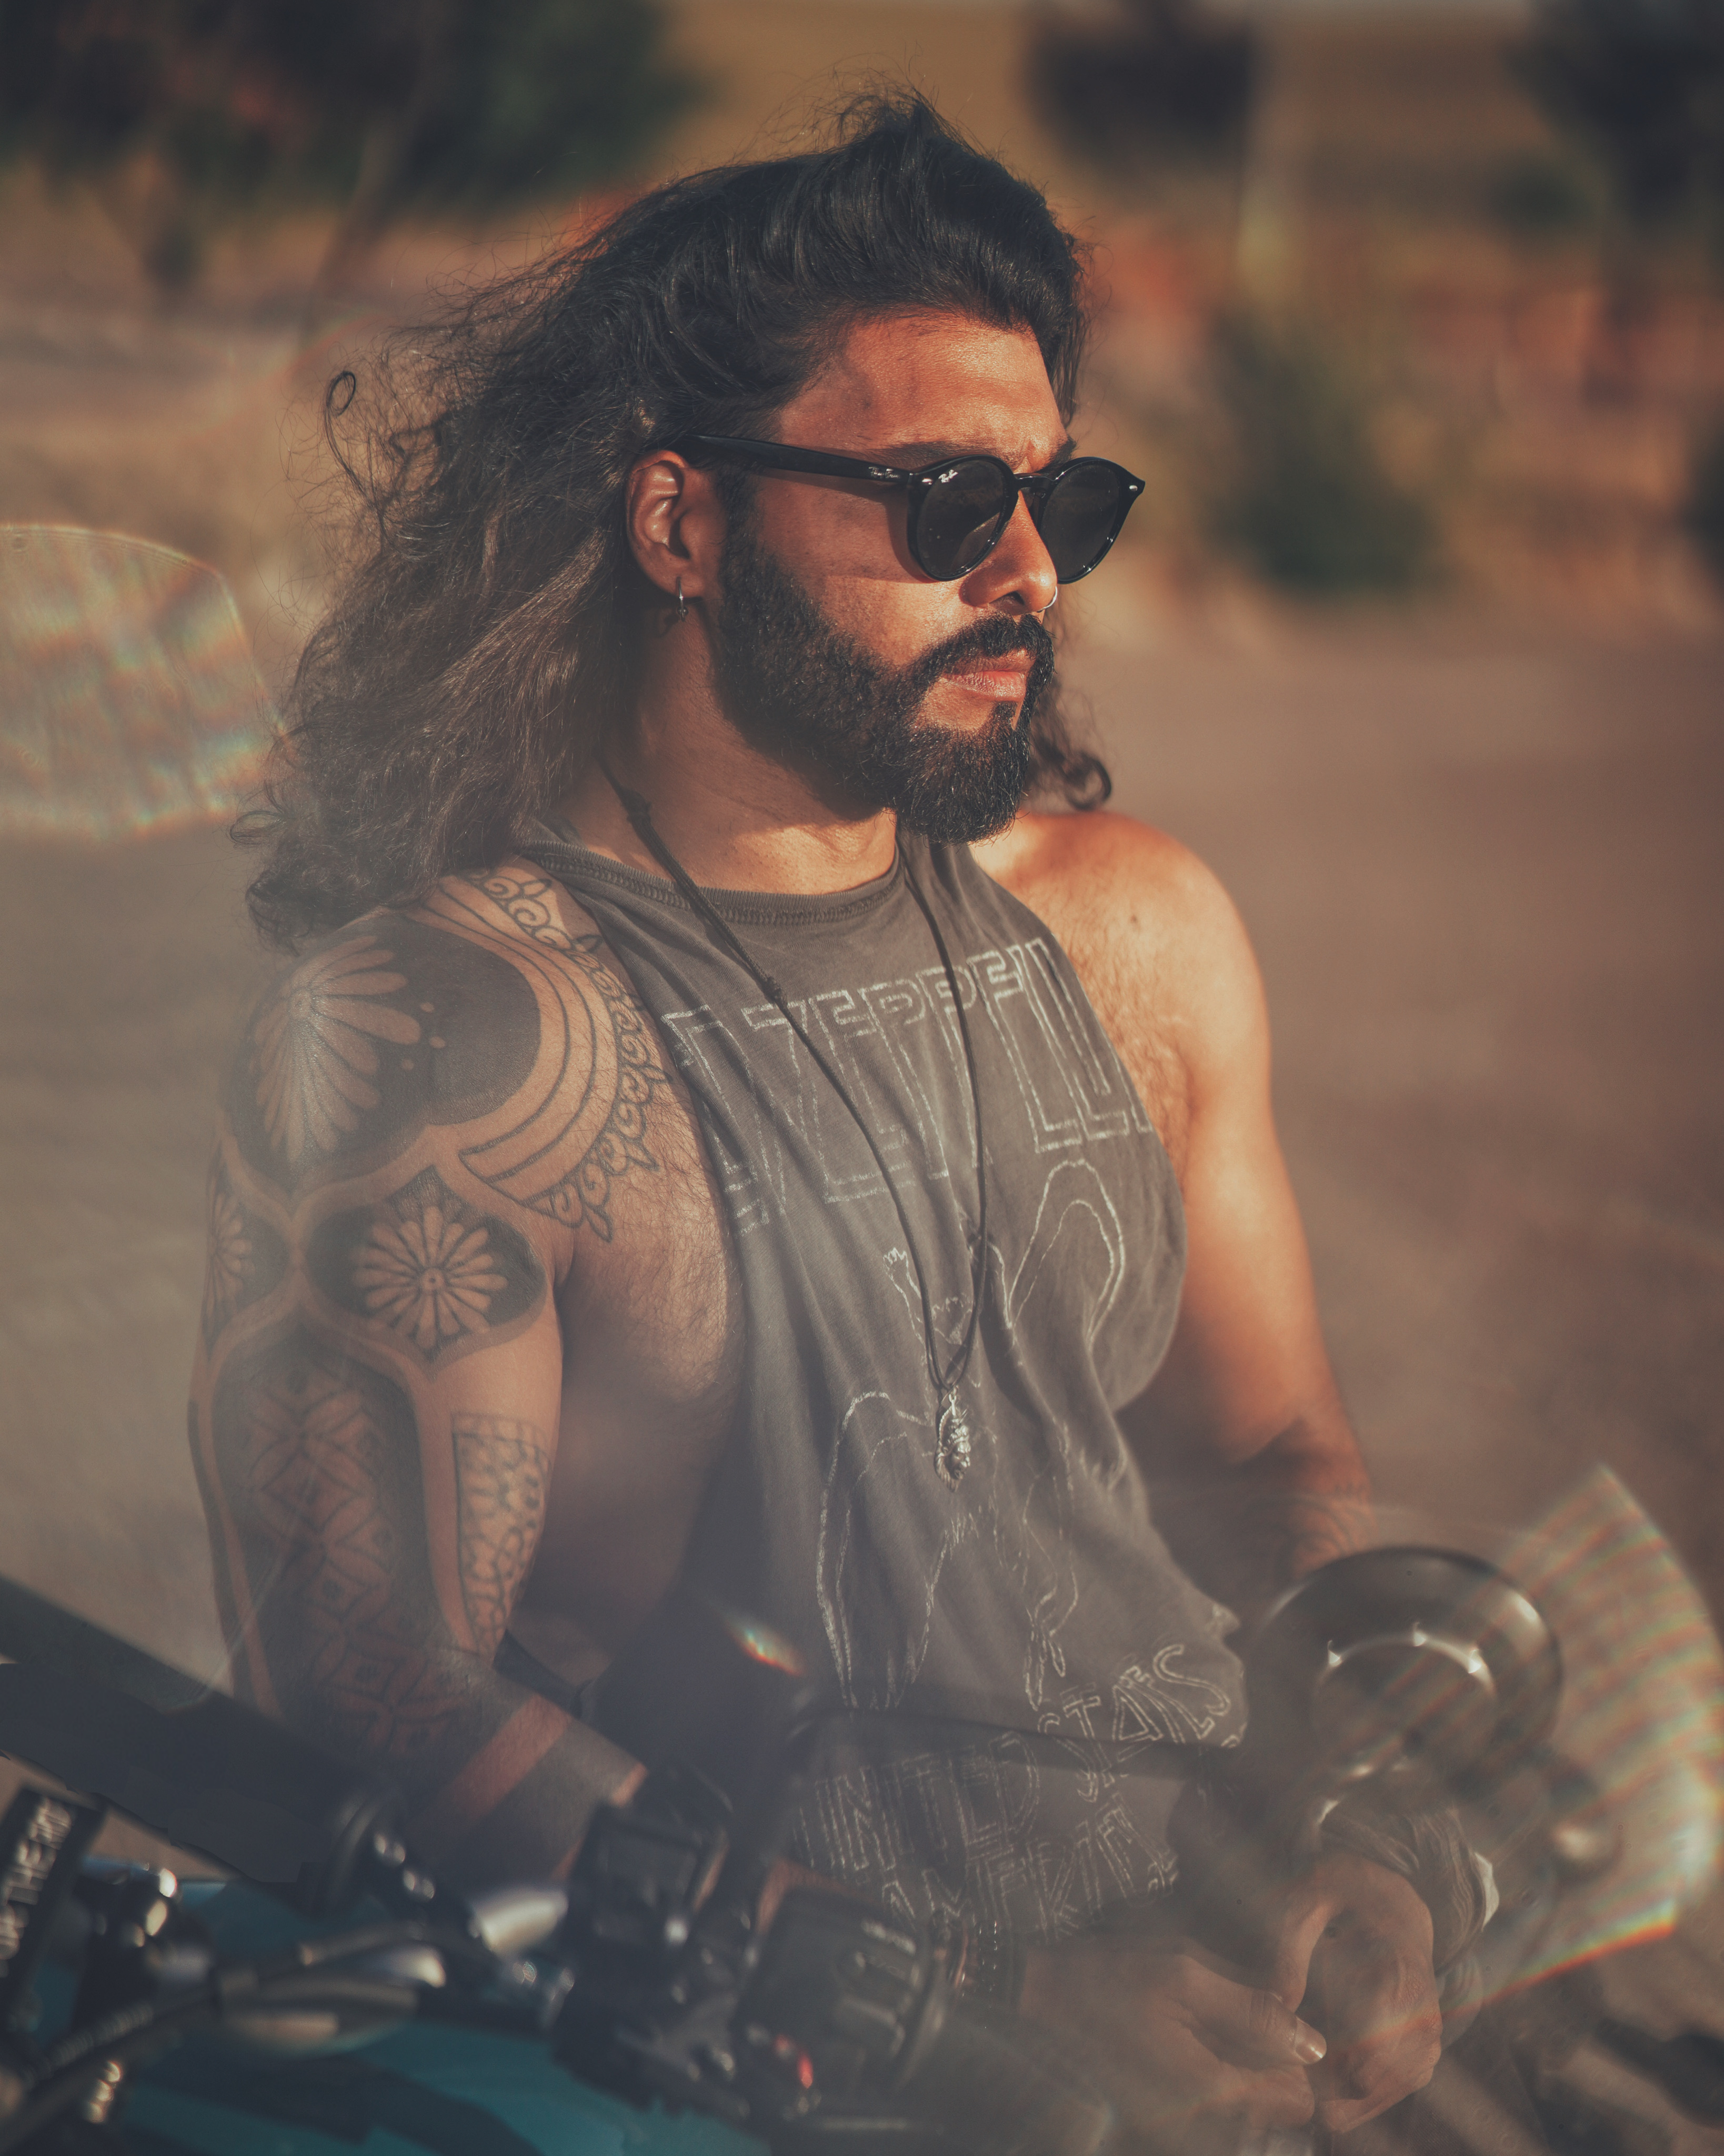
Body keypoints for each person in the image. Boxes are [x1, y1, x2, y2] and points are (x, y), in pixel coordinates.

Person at [189, 98, 1467, 2150]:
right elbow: (368, 1687)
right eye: (948, 497)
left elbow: (1268, 1461)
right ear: (682, 523)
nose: (1034, 566)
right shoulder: (461, 1044)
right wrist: (976, 2002)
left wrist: (1352, 1844)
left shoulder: (1139, 931)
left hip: (1220, 2007)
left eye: (1069, 499)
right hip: (768, 2077)